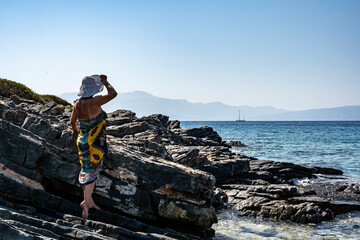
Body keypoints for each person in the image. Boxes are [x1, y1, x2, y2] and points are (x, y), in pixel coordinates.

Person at [70, 74, 117, 219]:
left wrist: (78, 133)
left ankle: (89, 202)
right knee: (92, 171)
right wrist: (105, 81)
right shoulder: (95, 101)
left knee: (86, 170)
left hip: (82, 140)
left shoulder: (77, 104)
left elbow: (72, 123)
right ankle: (85, 202)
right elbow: (113, 94)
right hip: (94, 143)